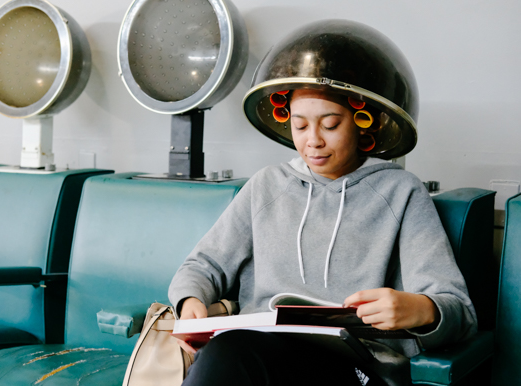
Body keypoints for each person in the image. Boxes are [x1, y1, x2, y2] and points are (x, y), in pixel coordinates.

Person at [168, 20, 477, 386]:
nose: (312, 141)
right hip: (263, 352)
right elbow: (204, 265)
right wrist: (191, 302)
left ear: (362, 124)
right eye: (300, 126)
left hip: (355, 365)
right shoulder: (266, 186)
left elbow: (459, 310)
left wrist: (420, 310)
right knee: (226, 352)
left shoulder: (401, 192)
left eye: (330, 124)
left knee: (231, 357)